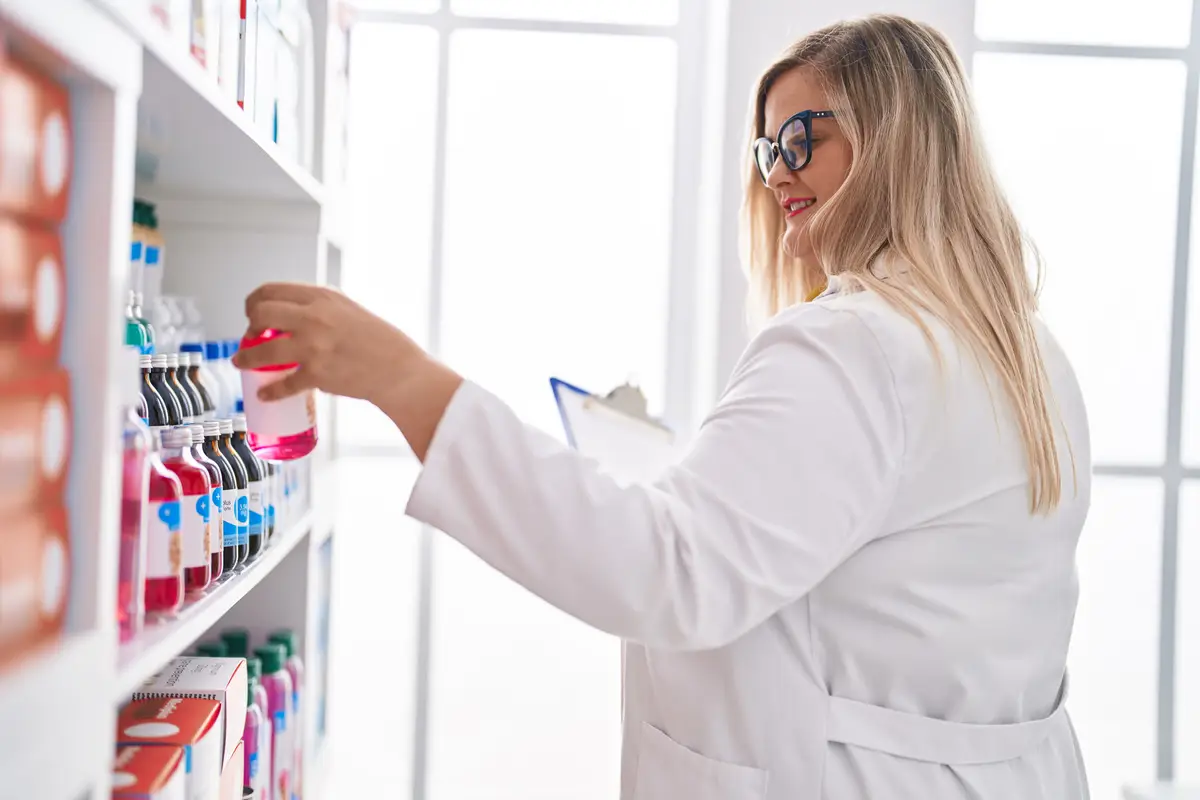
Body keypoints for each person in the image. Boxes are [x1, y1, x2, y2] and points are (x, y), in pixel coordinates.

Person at [234, 13, 1091, 800]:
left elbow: (672, 573)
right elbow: (875, 572)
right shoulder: (1027, 353)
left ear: (897, 142)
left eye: (803, 138)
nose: (779, 172)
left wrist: (407, 381)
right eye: (767, 150)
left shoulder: (853, 344)